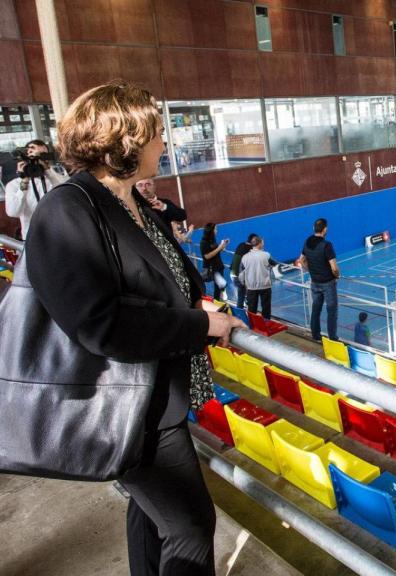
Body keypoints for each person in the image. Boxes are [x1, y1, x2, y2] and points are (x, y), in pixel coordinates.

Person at [25, 82, 245, 576]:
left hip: (153, 398)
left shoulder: (130, 202)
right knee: (190, 526)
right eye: (157, 135)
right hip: (122, 405)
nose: (164, 145)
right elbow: (101, 324)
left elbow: (156, 281)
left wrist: (197, 308)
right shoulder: (68, 210)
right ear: (124, 141)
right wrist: (198, 325)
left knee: (152, 514)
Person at [3, 139, 67, 239]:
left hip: (60, 237)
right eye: (33, 156)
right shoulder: (14, 185)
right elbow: (13, 212)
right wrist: (24, 181)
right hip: (33, 239)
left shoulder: (55, 179)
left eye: (42, 156)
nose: (36, 161)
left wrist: (48, 170)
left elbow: (66, 193)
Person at [297, 218, 340, 342]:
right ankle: (333, 338)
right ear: (325, 229)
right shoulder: (326, 245)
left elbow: (301, 260)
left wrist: (310, 270)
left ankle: (315, 335)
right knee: (332, 311)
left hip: (314, 282)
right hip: (328, 283)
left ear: (314, 228)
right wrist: (337, 275)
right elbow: (334, 268)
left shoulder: (308, 241)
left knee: (316, 309)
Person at [241, 236, 275, 320]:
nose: (263, 243)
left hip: (251, 287)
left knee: (252, 309)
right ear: (259, 244)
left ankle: (252, 326)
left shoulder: (244, 257)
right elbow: (274, 263)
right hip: (265, 285)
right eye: (262, 242)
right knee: (266, 308)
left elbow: (241, 273)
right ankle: (266, 324)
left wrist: (244, 283)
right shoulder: (266, 255)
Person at [230, 233, 260, 309]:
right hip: (240, 276)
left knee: (241, 296)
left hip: (233, 273)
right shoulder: (251, 250)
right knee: (248, 296)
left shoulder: (241, 244)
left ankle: (240, 313)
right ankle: (249, 314)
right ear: (253, 240)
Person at [199, 223, 229, 301]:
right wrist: (219, 248)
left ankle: (218, 302)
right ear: (211, 231)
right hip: (212, 268)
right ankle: (216, 303)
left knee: (219, 287)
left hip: (219, 266)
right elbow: (207, 256)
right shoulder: (203, 242)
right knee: (220, 286)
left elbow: (216, 250)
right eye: (215, 229)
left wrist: (223, 246)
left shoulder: (213, 239)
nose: (216, 231)